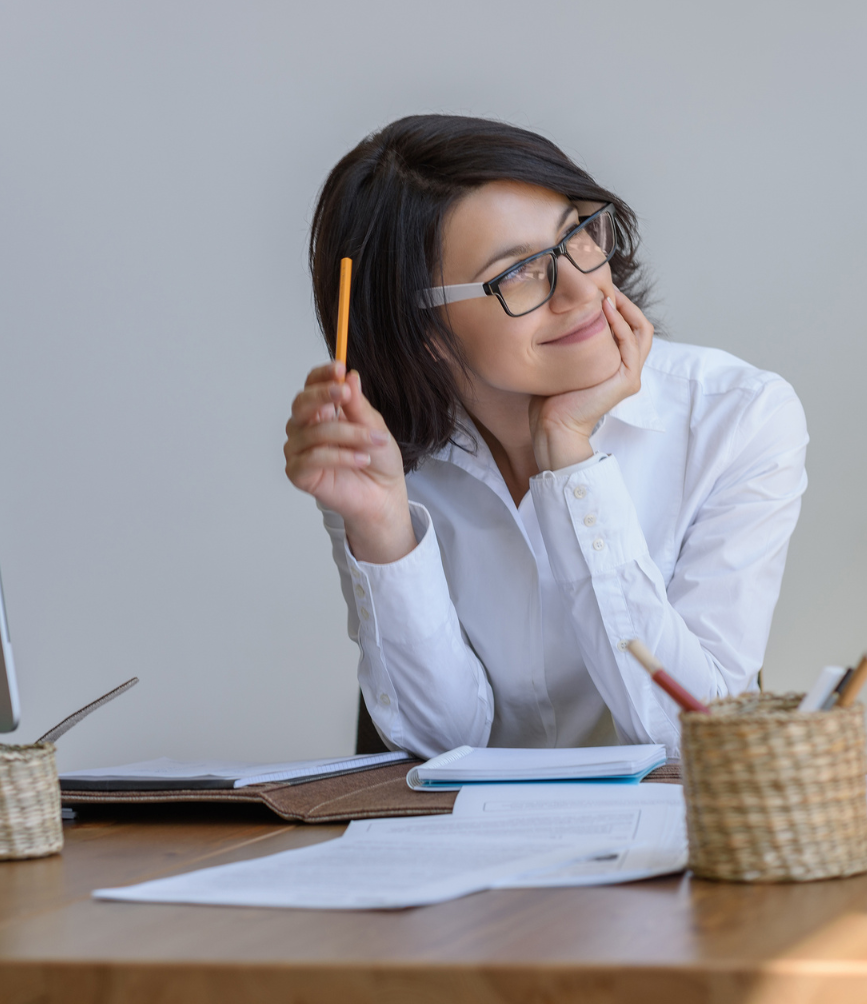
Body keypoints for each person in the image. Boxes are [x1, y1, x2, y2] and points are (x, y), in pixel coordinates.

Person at [283, 115, 807, 759]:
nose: (584, 287)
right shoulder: (374, 454)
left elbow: (693, 735)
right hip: (464, 849)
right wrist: (383, 527)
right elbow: (443, 744)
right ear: (420, 328)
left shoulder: (737, 418)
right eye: (521, 273)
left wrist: (571, 459)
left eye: (579, 235)